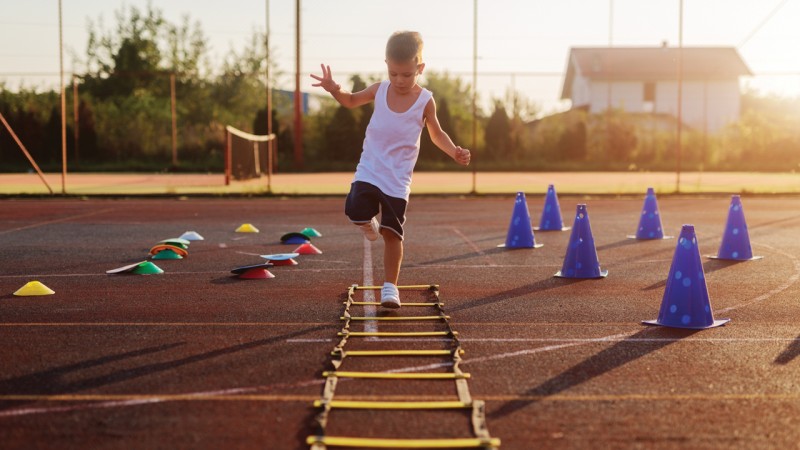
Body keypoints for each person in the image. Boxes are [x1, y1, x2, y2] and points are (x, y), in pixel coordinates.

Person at [311, 31, 470, 309]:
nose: (399, 80)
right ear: (386, 64)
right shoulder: (378, 90)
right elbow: (349, 101)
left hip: (397, 180)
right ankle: (367, 224)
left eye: (407, 75)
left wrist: (454, 151)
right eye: (394, 73)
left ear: (420, 68)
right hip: (370, 169)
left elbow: (436, 134)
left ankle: (390, 288)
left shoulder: (425, 101)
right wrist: (334, 88)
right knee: (354, 210)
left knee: (392, 234)